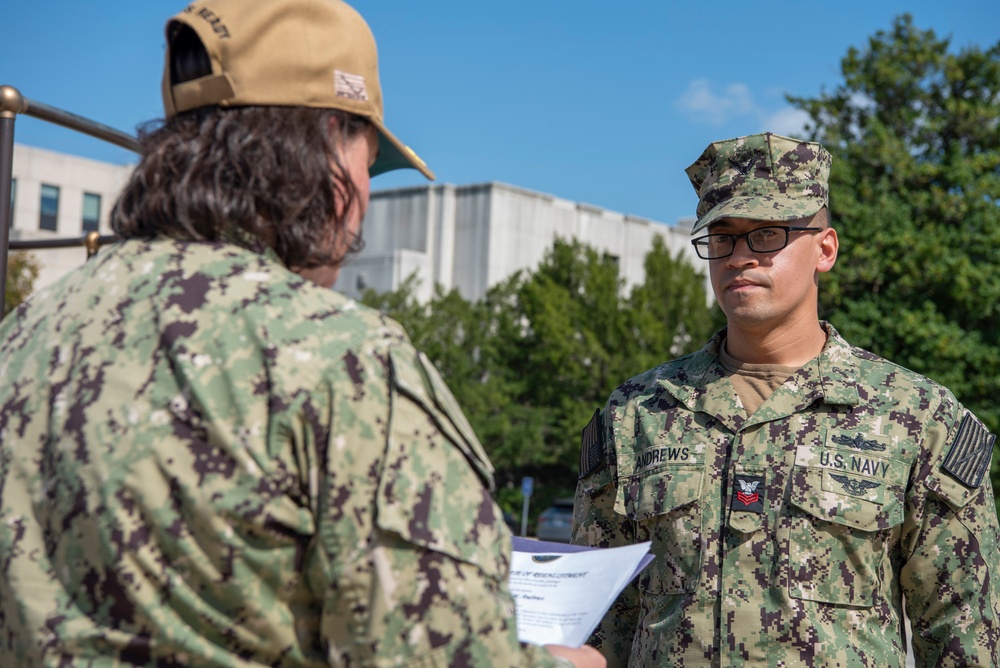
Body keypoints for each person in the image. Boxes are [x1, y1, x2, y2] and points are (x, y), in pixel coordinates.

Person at [0, 1, 604, 667]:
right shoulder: (342, 361)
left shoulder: (25, 334)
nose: (366, 198)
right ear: (329, 145)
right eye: (370, 161)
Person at [571, 132, 1000, 667]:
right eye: (722, 237)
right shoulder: (639, 412)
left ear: (825, 249)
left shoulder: (916, 417)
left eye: (767, 235)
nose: (740, 257)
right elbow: (600, 622)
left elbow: (962, 632)